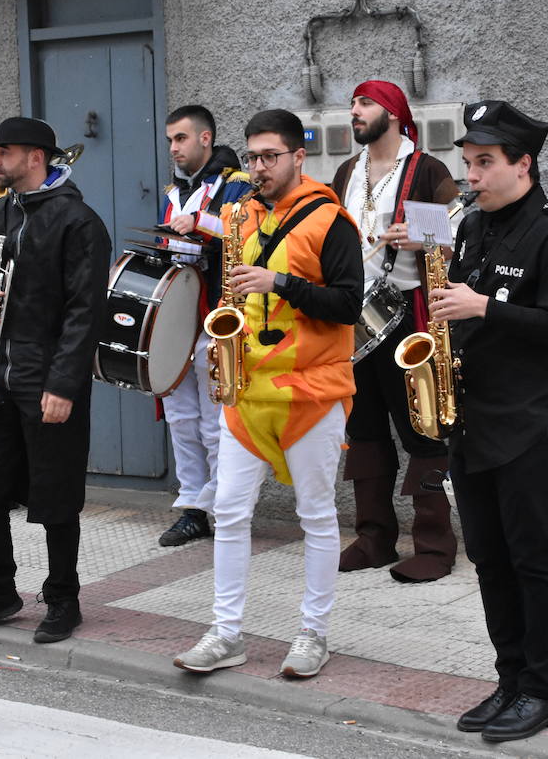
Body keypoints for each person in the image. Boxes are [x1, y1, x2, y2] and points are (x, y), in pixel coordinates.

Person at [173, 109, 362, 680]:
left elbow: (349, 304)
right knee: (228, 512)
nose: (258, 167)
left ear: (298, 156)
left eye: (269, 157)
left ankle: (313, 633)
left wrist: (278, 282)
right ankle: (225, 632)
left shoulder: (332, 222)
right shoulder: (238, 216)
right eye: (252, 157)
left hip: (311, 393)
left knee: (317, 516)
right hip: (248, 393)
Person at [427, 100, 548, 742]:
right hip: (472, 418)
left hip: (531, 423)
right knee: (489, 559)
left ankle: (539, 690)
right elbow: (460, 308)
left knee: (533, 557)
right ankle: (507, 678)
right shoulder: (470, 229)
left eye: (485, 163)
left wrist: (482, 308)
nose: (472, 176)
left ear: (524, 164)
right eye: (467, 163)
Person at [0, 117, 110, 645]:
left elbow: (86, 312)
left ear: (36, 157)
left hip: (47, 379)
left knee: (57, 493)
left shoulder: (79, 222)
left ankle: (63, 598)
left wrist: (63, 384)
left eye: (5, 151)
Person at [329, 80, 461, 582]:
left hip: (410, 313)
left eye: (364, 104)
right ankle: (373, 537)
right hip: (356, 316)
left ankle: (434, 544)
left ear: (391, 111)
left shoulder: (426, 168)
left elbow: (459, 234)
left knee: (423, 429)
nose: (354, 112)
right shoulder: (347, 172)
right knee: (363, 430)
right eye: (354, 104)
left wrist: (420, 236)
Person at [156, 105, 254, 547]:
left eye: (180, 138)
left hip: (214, 310)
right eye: (170, 140)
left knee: (217, 420)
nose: (173, 148)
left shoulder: (235, 184)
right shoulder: (174, 190)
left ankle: (223, 505)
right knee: (180, 416)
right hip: (178, 314)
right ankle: (193, 506)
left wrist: (198, 223)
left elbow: (244, 234)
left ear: (206, 138)